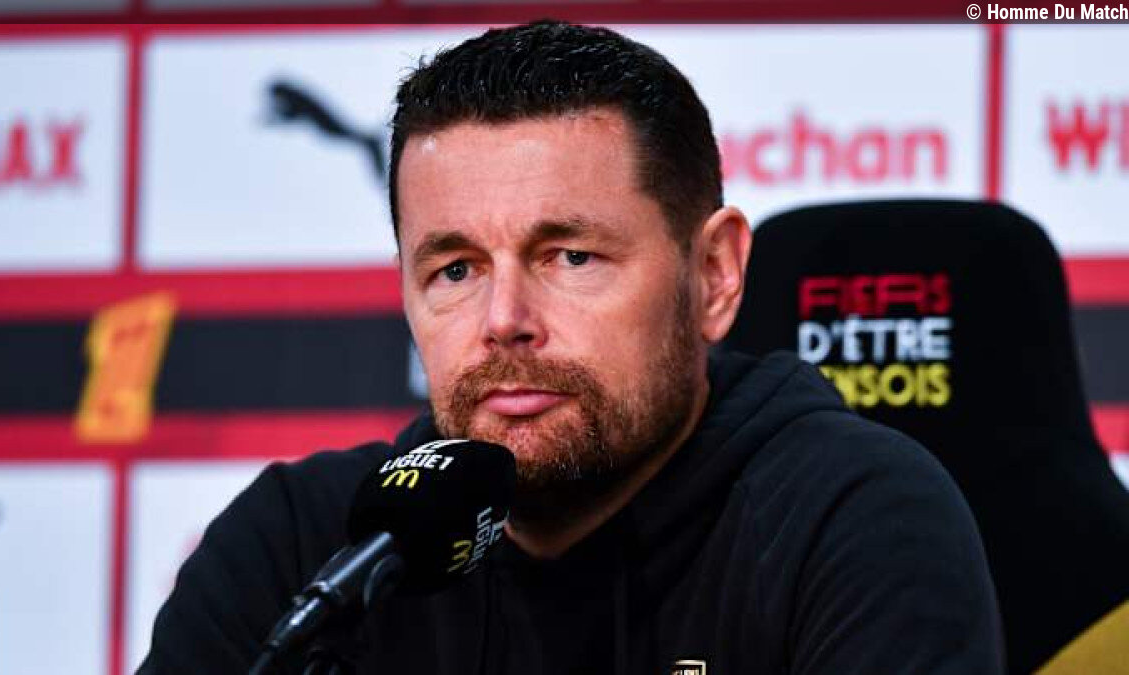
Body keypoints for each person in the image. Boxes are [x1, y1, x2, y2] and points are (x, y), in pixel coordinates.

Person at [138, 20, 1004, 675]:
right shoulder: (303, 549)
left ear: (713, 275)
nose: (504, 318)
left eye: (571, 257)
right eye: (455, 269)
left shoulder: (851, 520)